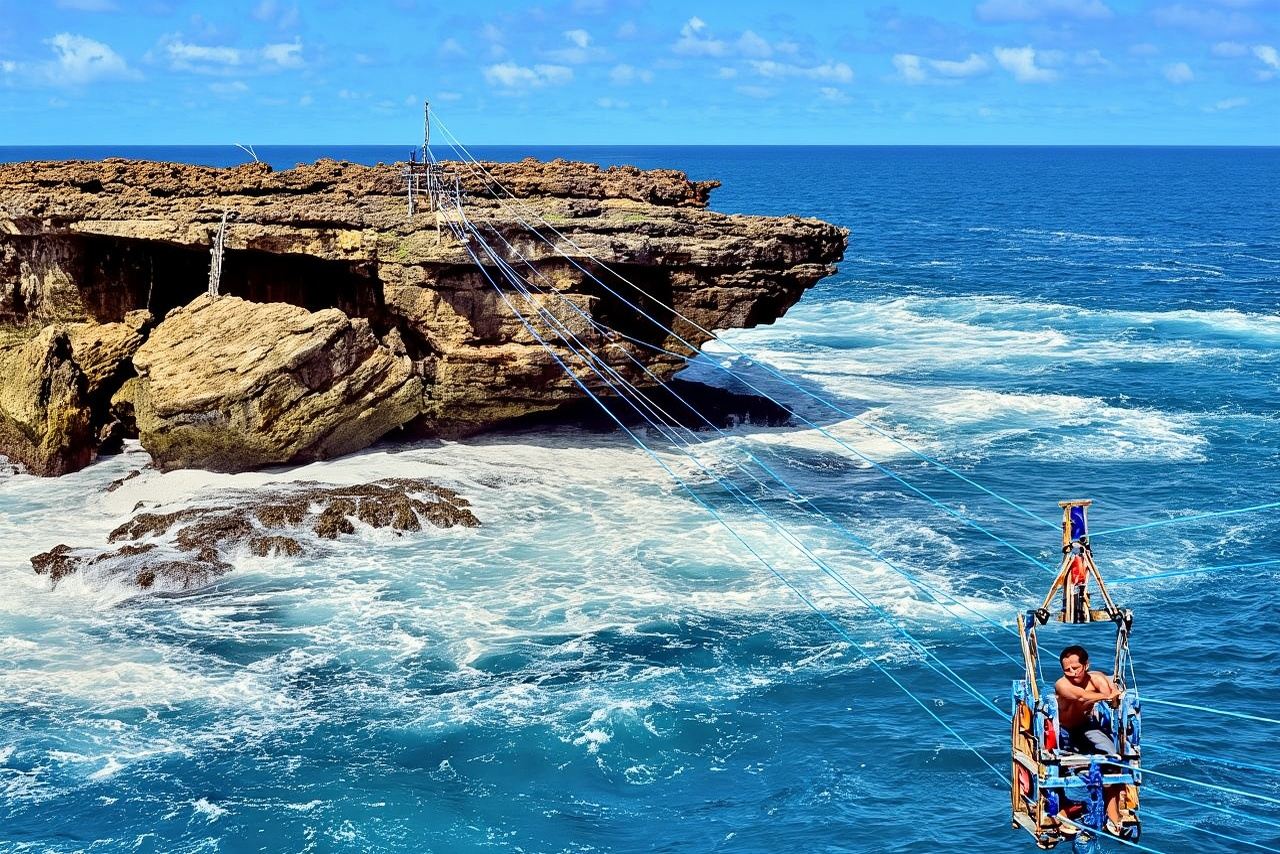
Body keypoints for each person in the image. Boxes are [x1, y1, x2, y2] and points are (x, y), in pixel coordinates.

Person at [1055, 644, 1124, 834]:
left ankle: (1113, 815)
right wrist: (1109, 694)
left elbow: (1112, 698)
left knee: (1113, 757)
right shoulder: (1062, 684)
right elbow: (1081, 697)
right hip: (1064, 731)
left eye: (1075, 668)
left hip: (1086, 726)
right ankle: (1063, 811)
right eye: (1066, 669)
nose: (1071, 673)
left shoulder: (1097, 678)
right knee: (1062, 767)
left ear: (1086, 665)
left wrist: (1114, 695)